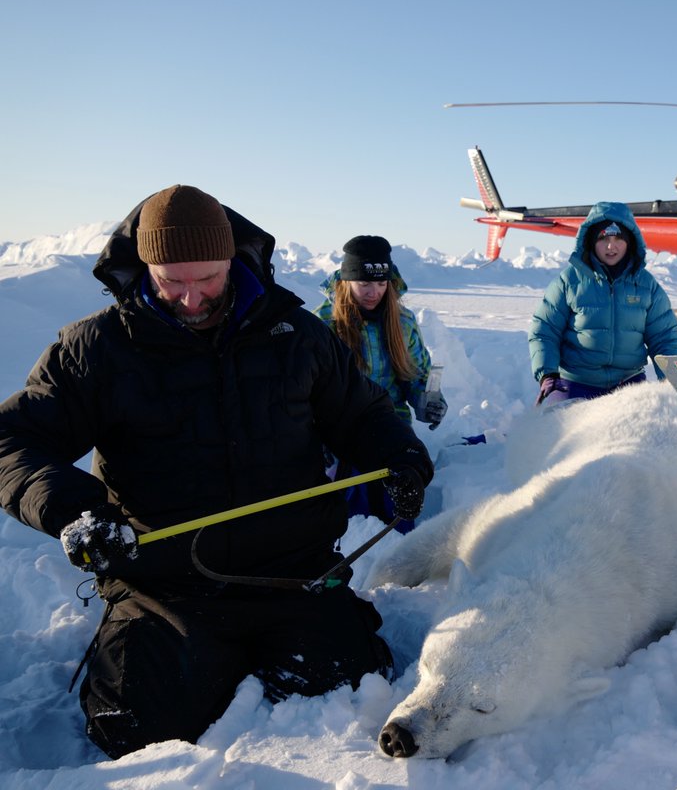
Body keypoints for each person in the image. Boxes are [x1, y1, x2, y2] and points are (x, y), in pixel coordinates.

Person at [0, 185, 434, 759]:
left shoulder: (296, 336)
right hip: (165, 585)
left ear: (233, 260)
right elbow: (12, 441)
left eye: (205, 279)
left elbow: (365, 413)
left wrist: (402, 459)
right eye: (171, 280)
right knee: (133, 725)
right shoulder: (97, 348)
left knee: (350, 691)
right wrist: (73, 508)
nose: (189, 297)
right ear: (144, 266)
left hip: (294, 574)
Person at [315, 235, 446, 523]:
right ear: (347, 281)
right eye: (364, 284)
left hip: (392, 430)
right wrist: (313, 437)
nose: (373, 292)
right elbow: (306, 391)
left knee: (399, 498)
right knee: (348, 513)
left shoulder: (403, 321)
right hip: (339, 433)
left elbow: (417, 376)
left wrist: (427, 401)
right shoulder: (322, 324)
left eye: (381, 283)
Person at [529, 201, 677, 406]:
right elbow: (544, 330)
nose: (612, 246)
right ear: (591, 241)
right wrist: (547, 373)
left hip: (629, 384)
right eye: (603, 238)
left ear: (630, 242)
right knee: (552, 433)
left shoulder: (646, 285)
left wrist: (670, 378)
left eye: (619, 237)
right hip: (575, 383)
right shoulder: (569, 282)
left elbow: (664, 336)